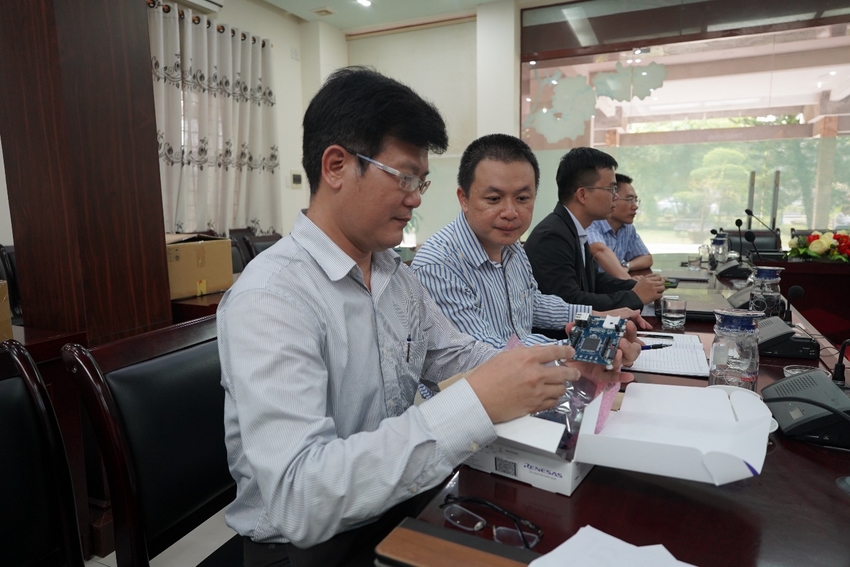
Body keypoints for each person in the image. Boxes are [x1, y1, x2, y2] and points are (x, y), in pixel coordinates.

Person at [217, 67, 640, 567]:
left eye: (422, 181)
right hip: (307, 549)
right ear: (336, 166)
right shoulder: (273, 297)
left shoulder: (394, 274)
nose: (417, 198)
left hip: (398, 502)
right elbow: (300, 498)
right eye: (404, 178)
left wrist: (570, 365)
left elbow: (459, 352)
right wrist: (475, 402)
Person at [411, 134, 649, 349]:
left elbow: (532, 304)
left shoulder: (511, 246)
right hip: (477, 392)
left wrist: (600, 316)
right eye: (494, 199)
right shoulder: (439, 265)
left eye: (522, 198)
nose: (510, 212)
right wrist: (591, 342)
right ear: (464, 198)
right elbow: (483, 353)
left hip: (530, 381)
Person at [524, 147, 665, 311]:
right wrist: (634, 296)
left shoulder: (573, 227)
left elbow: (595, 280)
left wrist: (634, 285)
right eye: (611, 189)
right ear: (582, 195)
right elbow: (569, 301)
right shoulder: (552, 236)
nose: (616, 196)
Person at [587, 173, 653, 280]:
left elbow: (646, 258)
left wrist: (626, 266)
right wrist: (630, 282)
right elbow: (599, 251)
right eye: (629, 199)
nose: (635, 206)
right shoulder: (592, 223)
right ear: (612, 198)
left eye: (635, 200)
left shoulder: (627, 227)